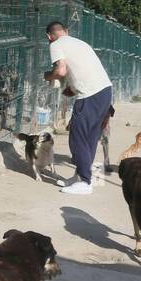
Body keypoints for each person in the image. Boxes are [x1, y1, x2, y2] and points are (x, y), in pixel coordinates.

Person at [43, 20, 113, 195]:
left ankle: (85, 182)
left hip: (89, 95)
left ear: (49, 36)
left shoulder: (56, 44)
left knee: (77, 137)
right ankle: (80, 177)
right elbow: (84, 71)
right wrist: (72, 88)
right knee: (90, 137)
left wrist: (48, 75)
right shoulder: (80, 43)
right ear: (66, 31)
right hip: (105, 91)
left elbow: (61, 71)